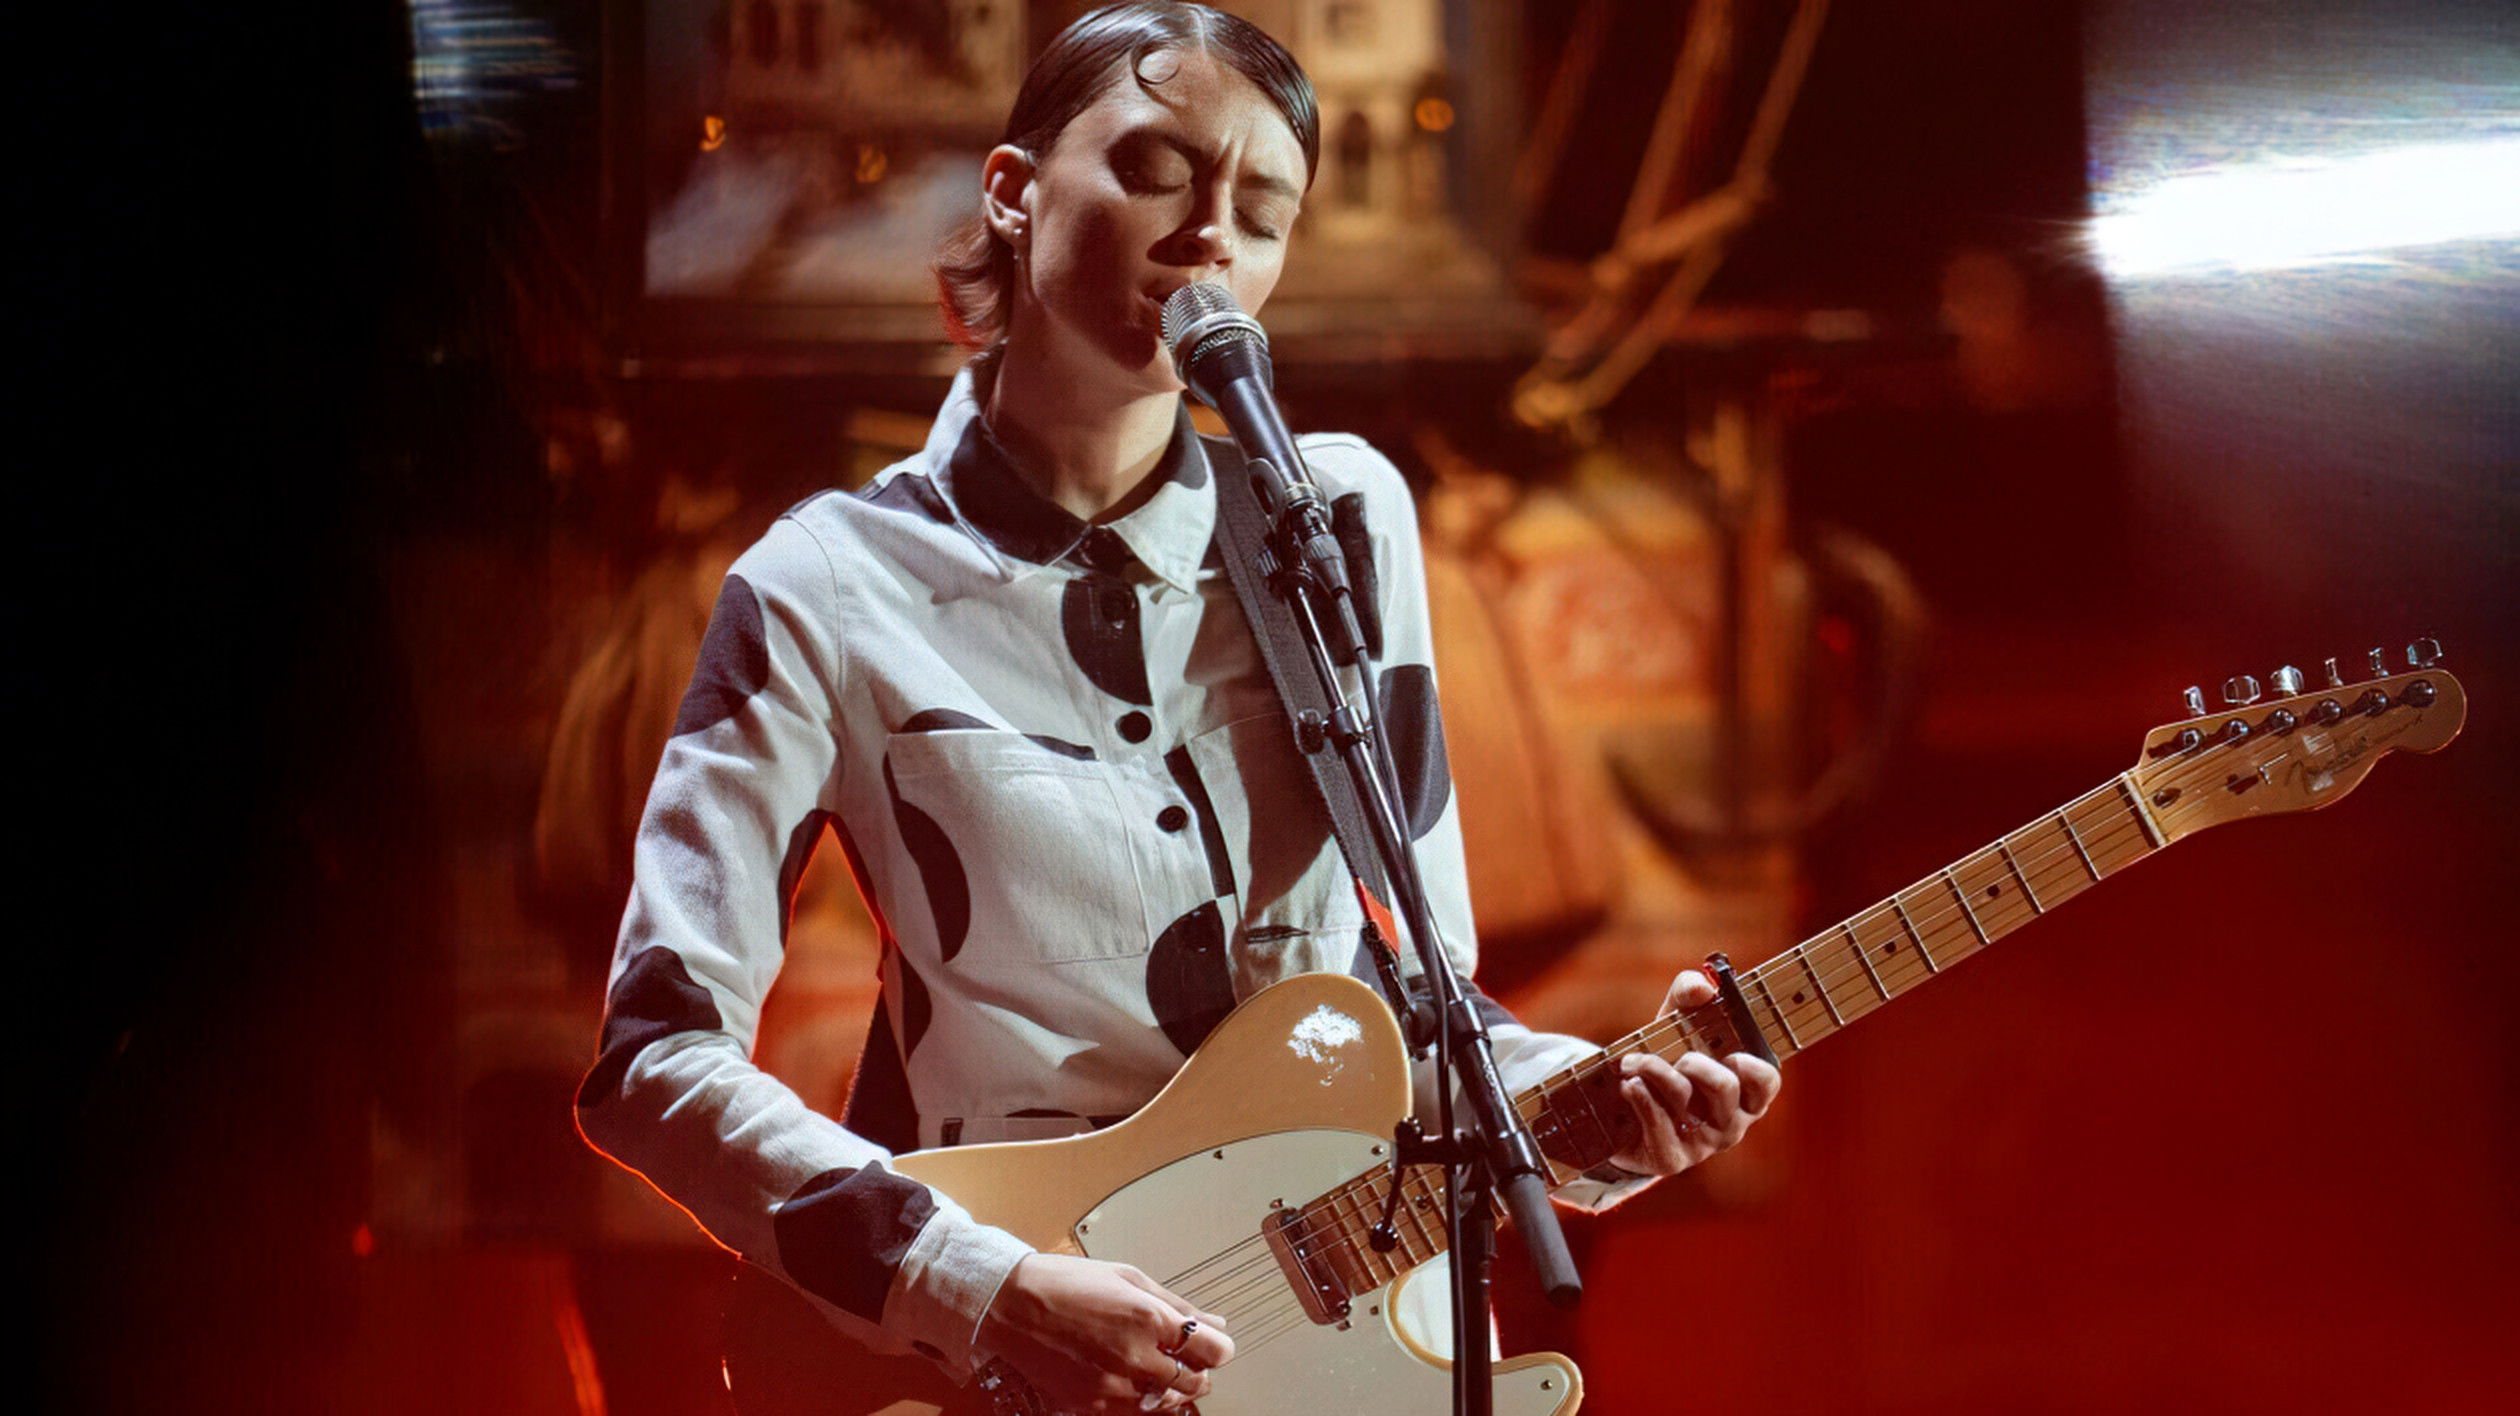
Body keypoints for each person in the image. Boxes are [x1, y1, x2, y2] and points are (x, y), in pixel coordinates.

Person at [574, 6, 1780, 1414]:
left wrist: (1607, 1107)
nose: (1211, 235)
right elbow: (653, 1061)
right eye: (1156, 170)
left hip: (1327, 1363)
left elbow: (1418, 1023)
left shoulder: (1342, 524)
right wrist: (984, 1285)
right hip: (997, 1369)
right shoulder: (828, 585)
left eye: (1263, 212)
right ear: (1014, 192)